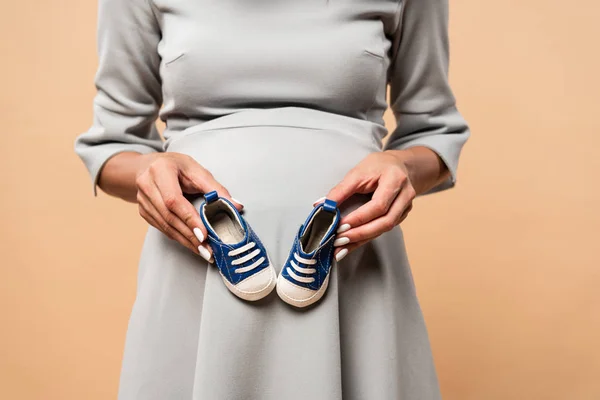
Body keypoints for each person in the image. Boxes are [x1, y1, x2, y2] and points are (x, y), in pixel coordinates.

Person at [74, 0, 469, 398]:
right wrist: (148, 173)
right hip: (196, 273)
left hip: (353, 274)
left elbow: (435, 132)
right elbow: (111, 146)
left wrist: (403, 167)